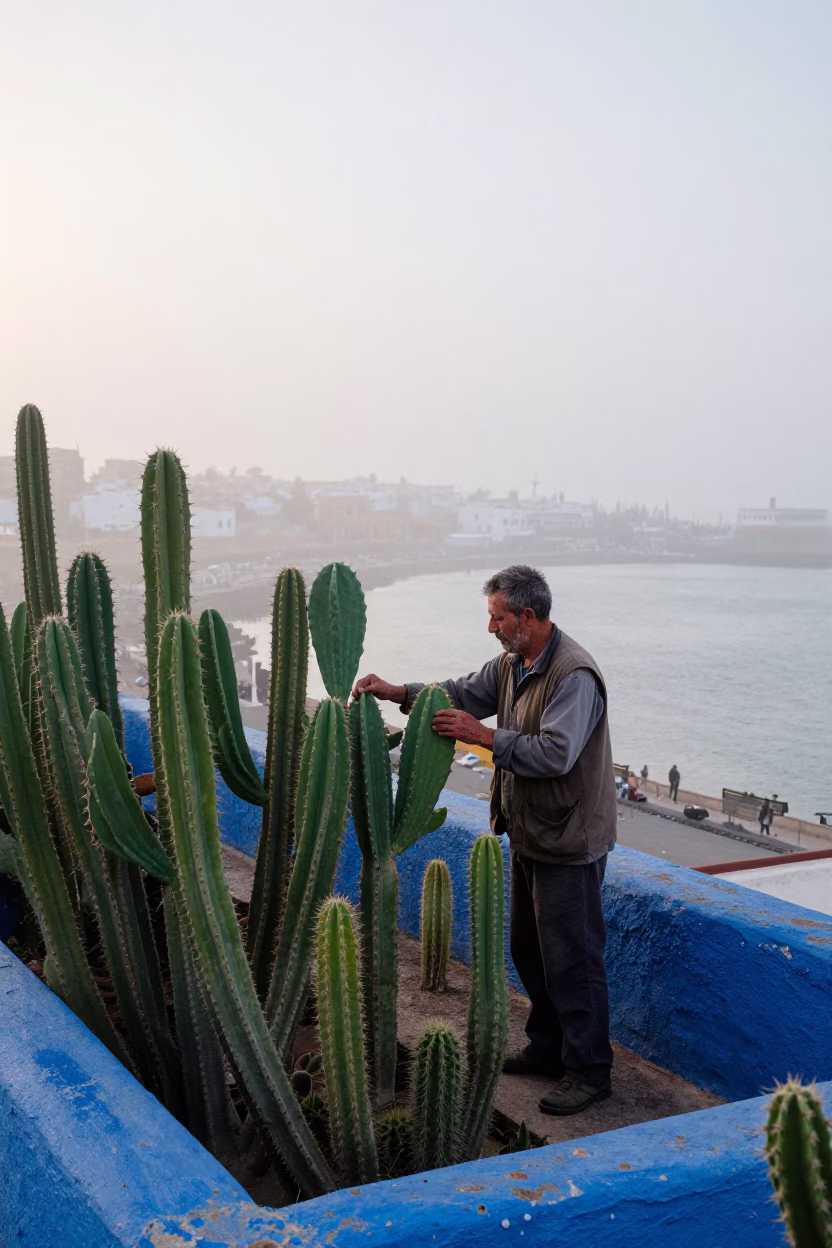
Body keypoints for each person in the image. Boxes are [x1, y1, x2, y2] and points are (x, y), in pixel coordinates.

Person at [353, 564, 616, 1116]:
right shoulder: (512, 663)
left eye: (498, 617)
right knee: (531, 950)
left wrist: (484, 736)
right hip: (529, 832)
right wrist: (397, 691)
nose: (491, 627)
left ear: (528, 615)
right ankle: (549, 1049)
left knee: (573, 961)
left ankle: (589, 1072)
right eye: (491, 617)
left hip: (569, 842)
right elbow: (459, 693)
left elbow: (555, 753)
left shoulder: (575, 676)